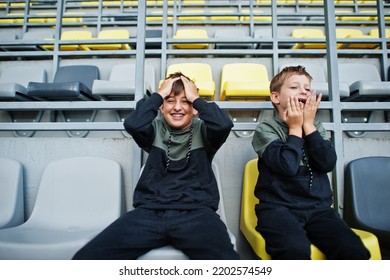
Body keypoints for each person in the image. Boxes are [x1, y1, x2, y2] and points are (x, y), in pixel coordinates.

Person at [73, 72, 239, 260]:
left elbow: (223, 125)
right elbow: (133, 124)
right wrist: (159, 94)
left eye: (185, 101)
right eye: (170, 100)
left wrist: (196, 99)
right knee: (87, 259)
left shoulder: (205, 131)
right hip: (148, 213)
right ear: (161, 106)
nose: (177, 107)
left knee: (226, 263)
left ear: (194, 107)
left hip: (197, 214)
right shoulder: (154, 130)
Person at [251, 65, 370, 260]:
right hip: (278, 209)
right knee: (295, 250)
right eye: (294, 87)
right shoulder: (266, 129)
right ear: (275, 97)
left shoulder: (317, 128)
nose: (303, 91)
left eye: (307, 88)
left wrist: (308, 125)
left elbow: (327, 163)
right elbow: (287, 166)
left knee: (353, 250)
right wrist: (295, 129)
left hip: (319, 210)